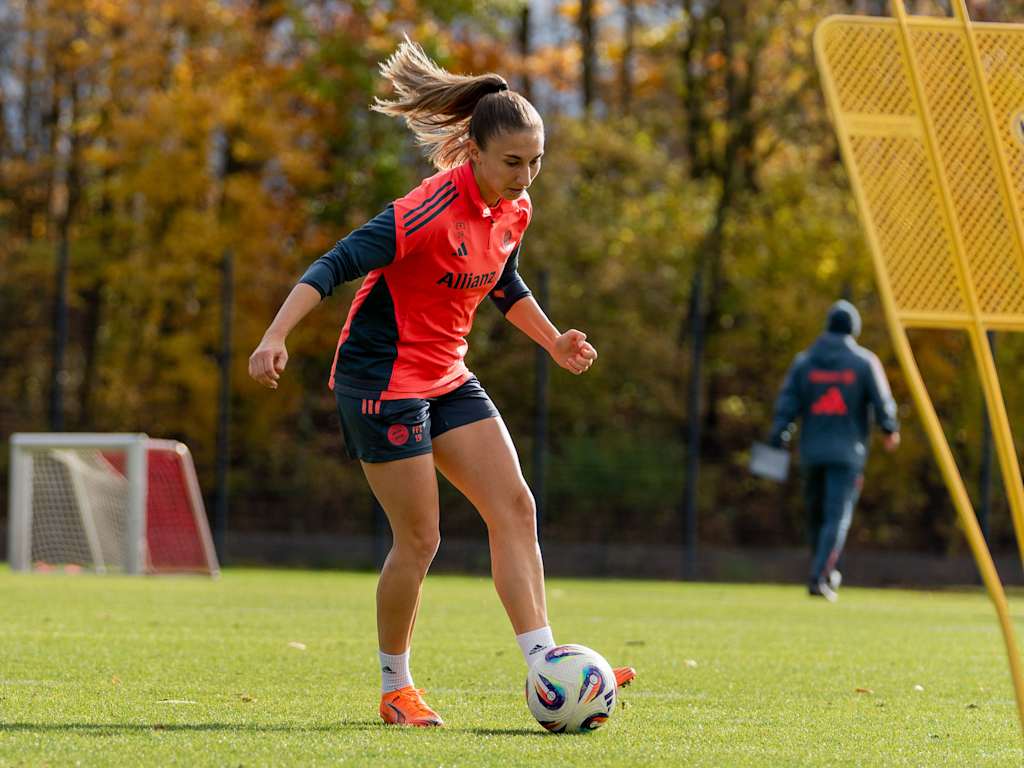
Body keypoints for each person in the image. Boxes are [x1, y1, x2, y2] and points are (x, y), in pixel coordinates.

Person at [248, 39, 635, 727]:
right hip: (381, 383)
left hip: (447, 376)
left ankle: (549, 667)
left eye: (536, 161)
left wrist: (554, 340)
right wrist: (275, 336)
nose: (525, 176)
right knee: (421, 539)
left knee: (514, 507)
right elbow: (332, 265)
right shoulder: (424, 211)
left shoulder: (514, 210)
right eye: (512, 162)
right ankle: (396, 687)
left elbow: (502, 281)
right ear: (475, 155)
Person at [768, 300, 900, 602]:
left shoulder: (805, 361)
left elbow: (787, 402)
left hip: (811, 452)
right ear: (854, 329)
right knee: (836, 517)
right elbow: (883, 401)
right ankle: (820, 576)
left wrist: (778, 435)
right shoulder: (864, 362)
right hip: (847, 454)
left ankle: (822, 570)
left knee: (815, 516)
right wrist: (890, 429)